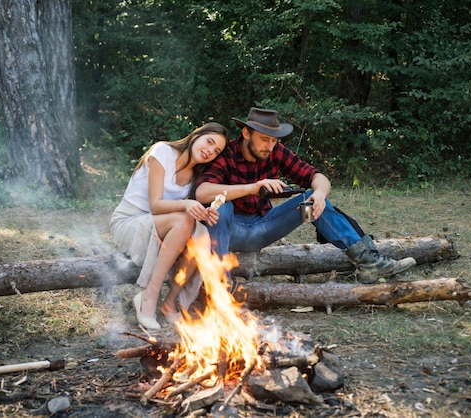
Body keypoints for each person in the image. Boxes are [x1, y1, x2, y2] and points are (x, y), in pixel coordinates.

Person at [194, 107, 416, 283]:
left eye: (274, 140)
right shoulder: (226, 154)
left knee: (309, 199)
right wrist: (254, 186)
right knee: (221, 205)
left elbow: (317, 176)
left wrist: (319, 194)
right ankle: (219, 282)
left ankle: (367, 262)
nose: (270, 146)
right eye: (264, 139)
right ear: (246, 133)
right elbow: (202, 192)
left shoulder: (275, 151)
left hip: (264, 228)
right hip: (229, 230)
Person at [111, 122, 228, 331]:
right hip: (130, 223)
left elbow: (185, 213)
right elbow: (156, 206)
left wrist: (203, 212)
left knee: (201, 233)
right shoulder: (162, 151)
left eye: (216, 151)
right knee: (184, 220)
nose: (210, 151)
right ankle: (148, 296)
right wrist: (187, 204)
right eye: (209, 142)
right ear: (197, 136)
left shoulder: (196, 178)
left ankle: (170, 301)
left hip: (160, 227)